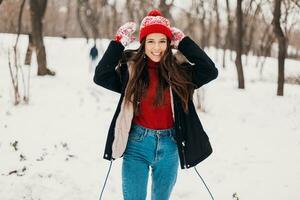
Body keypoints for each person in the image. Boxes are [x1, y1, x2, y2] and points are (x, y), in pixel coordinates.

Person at [94, 9, 218, 200]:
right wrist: (118, 44)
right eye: (151, 41)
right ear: (143, 44)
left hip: (170, 146)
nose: (156, 47)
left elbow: (210, 71)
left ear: (169, 43)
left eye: (162, 41)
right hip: (137, 144)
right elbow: (101, 75)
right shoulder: (131, 71)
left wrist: (184, 43)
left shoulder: (180, 73)